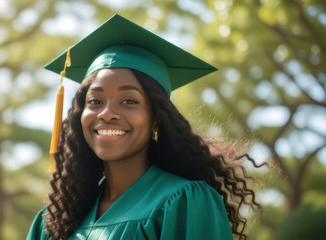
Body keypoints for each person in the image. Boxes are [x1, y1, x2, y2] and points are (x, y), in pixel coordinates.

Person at [27, 14, 261, 240]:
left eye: (129, 101)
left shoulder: (184, 202)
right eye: (95, 101)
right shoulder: (53, 222)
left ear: (156, 118)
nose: (107, 113)